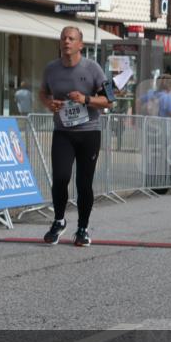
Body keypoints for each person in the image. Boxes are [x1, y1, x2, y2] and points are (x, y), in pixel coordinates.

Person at [39, 26, 113, 247]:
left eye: (71, 38)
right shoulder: (51, 69)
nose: (67, 41)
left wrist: (86, 99)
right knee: (60, 178)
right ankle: (59, 221)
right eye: (63, 38)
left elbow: (109, 100)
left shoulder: (93, 68)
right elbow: (42, 93)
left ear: (80, 44)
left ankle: (82, 228)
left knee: (84, 183)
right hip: (63, 132)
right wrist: (49, 103)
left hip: (89, 132)